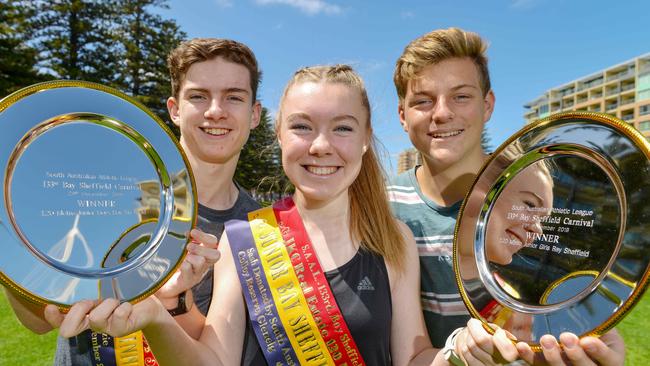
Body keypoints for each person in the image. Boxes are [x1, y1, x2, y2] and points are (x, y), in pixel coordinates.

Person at [42, 65, 521, 366]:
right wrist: (155, 317)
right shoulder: (243, 237)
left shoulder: (391, 236)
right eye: (301, 127)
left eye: (342, 128)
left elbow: (412, 355)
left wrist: (459, 353)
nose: (321, 146)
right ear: (278, 135)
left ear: (365, 136)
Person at [3, 37, 261, 365]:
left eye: (233, 97)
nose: (215, 111)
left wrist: (175, 303)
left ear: (254, 114)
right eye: (198, 96)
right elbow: (38, 320)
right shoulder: (107, 192)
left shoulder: (259, 231)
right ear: (175, 110)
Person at [388, 27, 626, 364]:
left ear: (487, 105)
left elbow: (556, 323)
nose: (441, 112)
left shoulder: (534, 207)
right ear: (402, 115)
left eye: (461, 96)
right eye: (423, 100)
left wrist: (582, 352)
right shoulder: (382, 206)